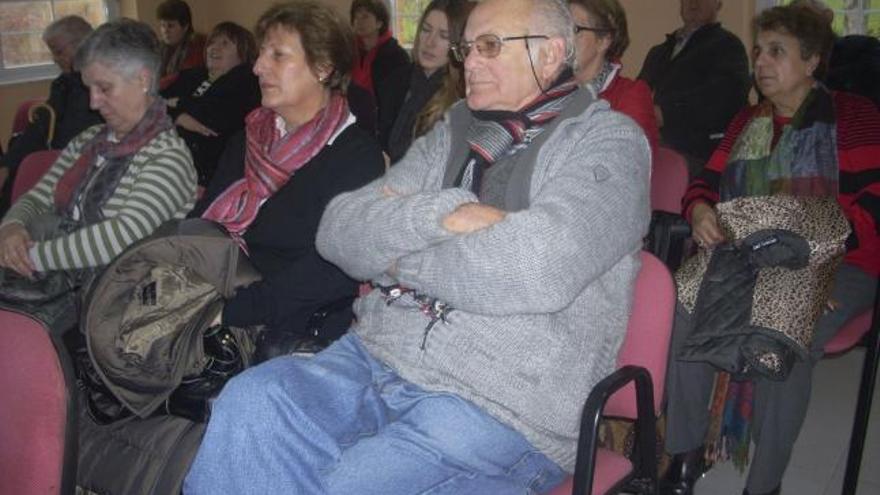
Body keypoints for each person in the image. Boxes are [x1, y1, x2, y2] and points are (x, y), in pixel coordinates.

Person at [184, 0, 650, 493]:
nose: (468, 61)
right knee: (253, 401)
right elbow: (340, 232)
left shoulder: (610, 144)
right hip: (376, 359)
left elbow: (535, 269)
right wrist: (445, 214)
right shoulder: (453, 131)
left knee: (348, 482)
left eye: (490, 46)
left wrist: (396, 256)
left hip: (500, 401)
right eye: (466, 47)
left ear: (552, 53)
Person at [661, 5, 880, 495]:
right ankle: (682, 457)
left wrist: (815, 265)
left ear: (812, 60)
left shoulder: (855, 116)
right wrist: (699, 211)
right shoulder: (747, 120)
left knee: (781, 335)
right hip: (747, 256)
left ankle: (765, 484)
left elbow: (875, 201)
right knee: (681, 305)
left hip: (839, 258)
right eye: (759, 50)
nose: (761, 62)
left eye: (776, 51)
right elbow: (705, 183)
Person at [185, 1, 384, 354]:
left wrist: (227, 311)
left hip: (292, 324)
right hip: (219, 292)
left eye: (278, 55)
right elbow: (205, 220)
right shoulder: (251, 135)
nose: (259, 67)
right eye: (261, 54)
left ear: (322, 67)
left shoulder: (356, 157)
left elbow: (331, 271)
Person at [0, 19, 197, 334]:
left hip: (108, 302)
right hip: (54, 277)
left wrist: (28, 256)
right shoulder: (89, 140)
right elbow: (38, 197)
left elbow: (120, 237)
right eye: (89, 88)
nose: (93, 102)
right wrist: (11, 227)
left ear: (143, 80)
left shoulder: (167, 157)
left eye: (104, 88)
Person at [0, 15, 102, 213]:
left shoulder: (99, 85)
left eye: (58, 51)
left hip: (77, 166)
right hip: (56, 159)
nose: (55, 58)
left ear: (84, 43)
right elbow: (40, 127)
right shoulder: (63, 83)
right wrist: (7, 164)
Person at [638, 0, 750, 176]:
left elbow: (725, 98)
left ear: (718, 4)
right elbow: (638, 95)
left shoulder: (728, 46)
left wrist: (665, 113)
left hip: (699, 156)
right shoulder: (658, 52)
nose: (694, 2)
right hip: (650, 149)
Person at [162, 22, 261, 186]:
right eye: (212, 42)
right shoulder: (192, 76)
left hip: (202, 173)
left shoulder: (245, 81)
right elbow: (149, 105)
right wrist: (177, 116)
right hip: (168, 157)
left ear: (243, 53)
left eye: (225, 44)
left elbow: (210, 119)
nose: (214, 48)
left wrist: (178, 103)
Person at [377, 0, 471, 164]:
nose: (430, 42)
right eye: (426, 30)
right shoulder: (395, 81)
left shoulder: (463, 98)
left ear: (459, 44)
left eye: (444, 36)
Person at [569, 0, 658, 153]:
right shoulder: (547, 90)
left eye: (574, 29)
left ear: (604, 40)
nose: (561, 39)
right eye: (560, 29)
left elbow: (622, 164)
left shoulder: (630, 95)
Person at [349, 0, 410, 106]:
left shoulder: (397, 56)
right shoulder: (349, 51)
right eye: (356, 17)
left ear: (379, 23)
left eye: (365, 17)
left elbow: (399, 99)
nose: (359, 21)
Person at [156, 0, 206, 89]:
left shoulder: (197, 46)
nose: (165, 31)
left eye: (170, 26)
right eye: (162, 25)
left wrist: (155, 86)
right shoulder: (160, 47)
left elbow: (181, 78)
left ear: (185, 27)